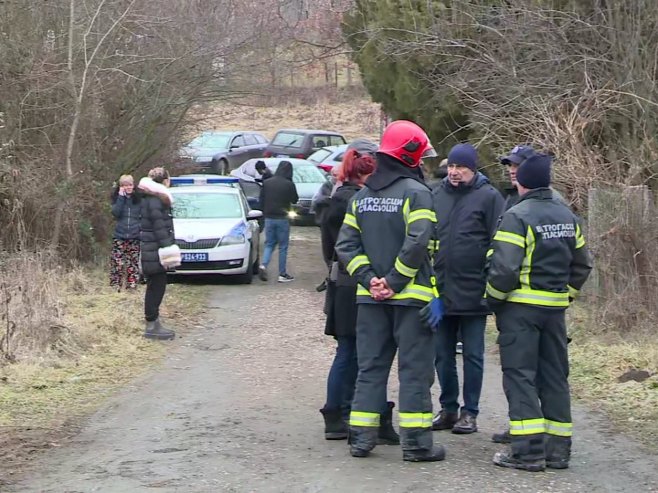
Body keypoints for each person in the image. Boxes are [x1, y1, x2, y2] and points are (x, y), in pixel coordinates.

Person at [335, 120, 445, 462]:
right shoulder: (418, 193)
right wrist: (395, 282)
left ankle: (361, 440)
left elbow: (346, 246)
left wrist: (371, 282)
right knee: (414, 371)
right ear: (409, 155)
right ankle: (417, 445)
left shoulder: (362, 198)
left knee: (370, 368)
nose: (424, 162)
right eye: (421, 155)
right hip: (411, 300)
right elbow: (418, 242)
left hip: (370, 301)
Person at [486, 154, 593, 472]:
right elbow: (582, 264)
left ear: (522, 181)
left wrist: (493, 301)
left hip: (520, 310)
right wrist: (565, 297)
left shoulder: (517, 216)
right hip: (554, 312)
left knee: (520, 377)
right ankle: (558, 450)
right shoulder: (567, 216)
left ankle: (527, 452)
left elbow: (504, 270)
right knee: (555, 378)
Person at [319, 149, 399, 446]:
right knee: (360, 353)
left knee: (349, 352)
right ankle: (354, 412)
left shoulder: (335, 200)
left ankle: (340, 413)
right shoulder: (357, 202)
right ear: (364, 175)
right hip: (354, 285)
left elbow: (330, 249)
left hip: (341, 283)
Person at [430, 143, 505, 435]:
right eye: (451, 167)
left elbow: (498, 243)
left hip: (474, 292)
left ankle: (470, 412)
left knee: (473, 355)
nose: (454, 172)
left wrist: (489, 284)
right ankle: (448, 408)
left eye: (460, 167)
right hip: (441, 290)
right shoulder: (436, 195)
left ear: (473, 169)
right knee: (441, 354)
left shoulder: (489, 197)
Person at [138, 167, 177, 341]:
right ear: (164, 181)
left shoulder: (151, 198)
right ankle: (152, 324)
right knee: (157, 286)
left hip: (151, 249)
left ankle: (154, 322)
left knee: (155, 285)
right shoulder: (155, 201)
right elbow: (159, 227)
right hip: (154, 250)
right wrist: (169, 248)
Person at [258, 161, 298, 283]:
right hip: (282, 218)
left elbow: (261, 200)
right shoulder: (289, 184)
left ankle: (263, 264)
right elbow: (295, 200)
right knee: (283, 246)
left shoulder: (267, 183)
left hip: (269, 218)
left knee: (269, 243)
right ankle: (282, 274)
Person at [110, 174, 142, 292]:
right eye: (124, 185)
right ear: (120, 186)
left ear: (133, 185)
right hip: (119, 235)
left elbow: (143, 215)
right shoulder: (117, 199)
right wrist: (121, 197)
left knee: (132, 263)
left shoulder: (138, 199)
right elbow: (116, 213)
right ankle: (115, 285)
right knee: (117, 262)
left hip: (134, 235)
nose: (128, 187)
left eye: (130, 185)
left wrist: (140, 228)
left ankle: (132, 286)